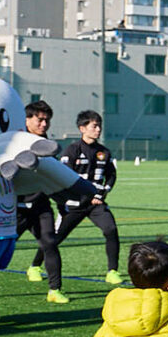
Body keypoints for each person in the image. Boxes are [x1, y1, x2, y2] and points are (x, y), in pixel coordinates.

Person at [49, 109, 124, 289]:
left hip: (95, 203)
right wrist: (68, 200)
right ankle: (35, 265)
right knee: (54, 239)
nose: (98, 130)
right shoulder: (72, 150)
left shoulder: (104, 152)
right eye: (94, 126)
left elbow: (111, 176)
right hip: (74, 204)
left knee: (110, 229)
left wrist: (101, 193)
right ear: (82, 128)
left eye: (99, 126)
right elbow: (63, 176)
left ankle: (112, 271)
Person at [15, 98, 71, 303]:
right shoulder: (15, 141)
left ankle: (54, 290)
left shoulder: (48, 145)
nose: (44, 124)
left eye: (47, 121)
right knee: (1, 247)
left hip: (40, 206)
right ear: (27, 120)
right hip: (16, 207)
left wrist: (62, 201)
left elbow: (53, 176)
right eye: (39, 120)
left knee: (50, 244)